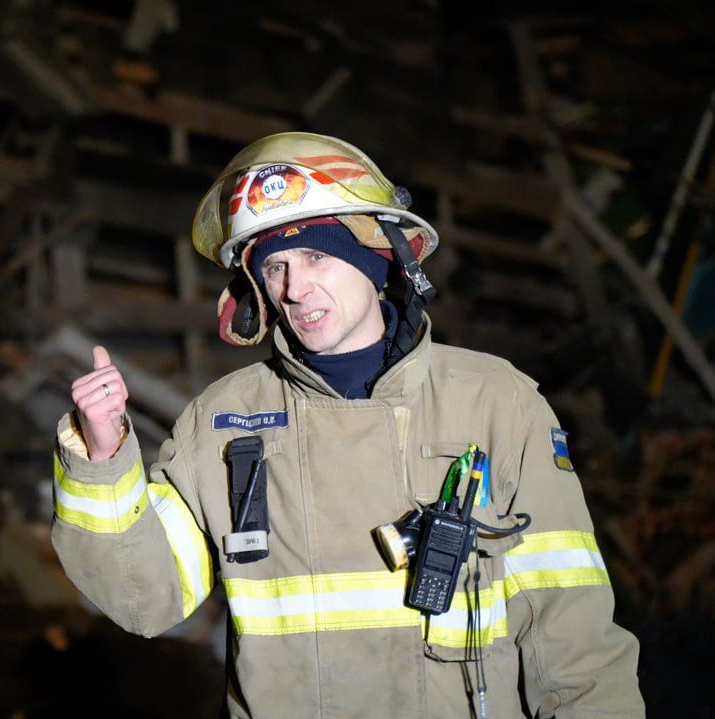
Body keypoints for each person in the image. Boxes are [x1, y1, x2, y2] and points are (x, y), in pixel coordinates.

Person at [51, 132, 644, 718]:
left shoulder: (495, 402)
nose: (295, 288)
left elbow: (573, 635)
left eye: (317, 256)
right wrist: (102, 458)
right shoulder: (223, 421)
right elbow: (144, 600)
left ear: (377, 258)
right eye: (275, 266)